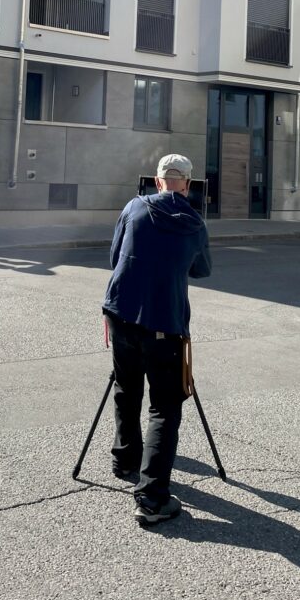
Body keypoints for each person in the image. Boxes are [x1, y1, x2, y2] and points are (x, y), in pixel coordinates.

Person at [102, 153, 211, 525]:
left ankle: (125, 458)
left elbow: (115, 256)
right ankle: (151, 499)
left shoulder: (134, 208)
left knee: (125, 387)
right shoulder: (194, 222)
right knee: (164, 407)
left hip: (121, 314)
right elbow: (203, 269)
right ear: (189, 184)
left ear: (158, 180)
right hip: (165, 323)